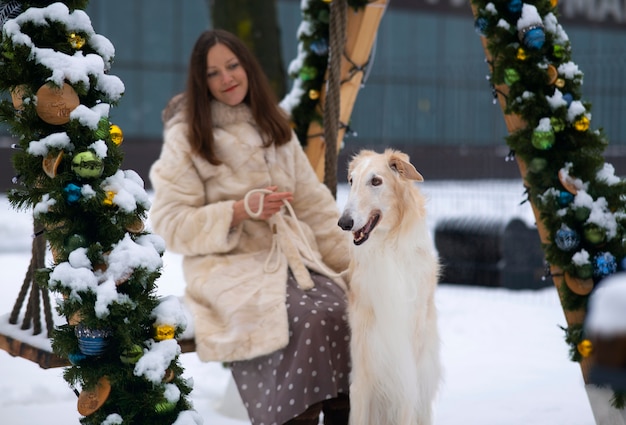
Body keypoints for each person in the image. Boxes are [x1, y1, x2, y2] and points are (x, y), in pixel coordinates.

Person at [149, 29, 351, 425]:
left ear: (247, 67)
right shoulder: (188, 135)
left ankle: (347, 414)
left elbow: (314, 207)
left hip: (293, 261)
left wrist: (355, 265)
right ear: (200, 81)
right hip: (230, 268)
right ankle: (295, 417)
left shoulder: (275, 126)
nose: (226, 78)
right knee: (302, 320)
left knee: (344, 309)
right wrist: (237, 212)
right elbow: (169, 223)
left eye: (232, 65)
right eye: (213, 73)